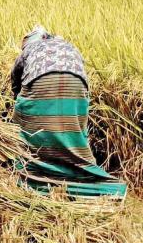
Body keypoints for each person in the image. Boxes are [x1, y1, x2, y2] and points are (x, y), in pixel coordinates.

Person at [11, 26, 127, 198]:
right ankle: (82, 173)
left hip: (42, 81)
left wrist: (19, 108)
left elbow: (15, 85)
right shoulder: (67, 46)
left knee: (24, 123)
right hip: (77, 86)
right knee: (74, 129)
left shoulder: (29, 50)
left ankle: (33, 173)